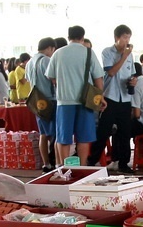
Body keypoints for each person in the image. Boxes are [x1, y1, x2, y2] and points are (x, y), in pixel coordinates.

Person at [47, 25, 104, 163]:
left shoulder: (58, 53)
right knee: (83, 138)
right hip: (85, 101)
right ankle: (82, 167)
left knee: (64, 138)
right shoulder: (88, 52)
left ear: (68, 37)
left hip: (64, 102)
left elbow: (51, 76)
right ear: (82, 37)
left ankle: (65, 168)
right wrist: (100, 96)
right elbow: (98, 78)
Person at [90, 24, 137, 173]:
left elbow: (132, 73)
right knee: (104, 130)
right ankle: (92, 160)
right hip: (110, 96)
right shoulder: (107, 52)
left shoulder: (131, 56)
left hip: (125, 98)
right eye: (124, 37)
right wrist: (123, 57)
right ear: (117, 38)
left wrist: (133, 81)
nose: (127, 41)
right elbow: (110, 72)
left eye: (129, 38)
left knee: (125, 132)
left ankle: (123, 163)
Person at [27, 38, 58, 171]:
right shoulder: (45, 60)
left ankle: (46, 164)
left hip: (36, 102)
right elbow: (53, 79)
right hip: (49, 100)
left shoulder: (29, 62)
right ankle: (57, 163)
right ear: (50, 48)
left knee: (43, 134)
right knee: (56, 134)